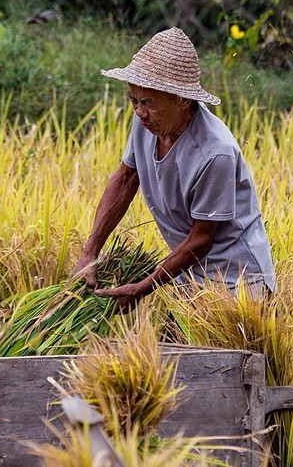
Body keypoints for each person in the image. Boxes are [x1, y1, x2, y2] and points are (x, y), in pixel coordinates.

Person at [73, 27, 277, 312]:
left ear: (182, 100)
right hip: (190, 274)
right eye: (133, 100)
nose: (139, 111)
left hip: (238, 283)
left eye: (148, 103)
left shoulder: (214, 153)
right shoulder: (147, 122)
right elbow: (125, 180)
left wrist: (143, 288)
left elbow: (201, 239)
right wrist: (90, 253)